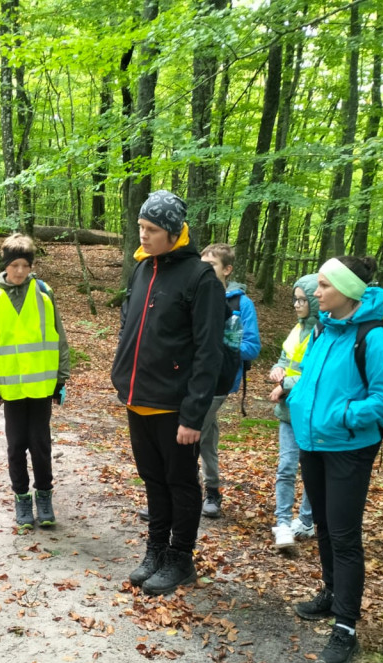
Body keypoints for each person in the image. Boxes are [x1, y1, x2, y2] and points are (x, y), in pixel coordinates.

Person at [286, 257, 383, 663]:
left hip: (348, 449)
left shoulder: (374, 338)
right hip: (314, 443)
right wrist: (295, 394)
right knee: (322, 526)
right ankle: (331, 594)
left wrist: (342, 415)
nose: (316, 293)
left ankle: (346, 627)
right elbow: (313, 380)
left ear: (348, 291)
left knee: (345, 535)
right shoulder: (323, 330)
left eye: (323, 286)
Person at [111, 190, 226, 596]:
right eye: (141, 227)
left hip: (175, 406)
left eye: (152, 229)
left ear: (174, 233)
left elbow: (210, 352)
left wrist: (193, 415)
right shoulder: (143, 270)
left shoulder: (200, 279)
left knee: (180, 482)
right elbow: (131, 326)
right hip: (137, 398)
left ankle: (180, 558)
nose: (142, 235)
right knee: (152, 479)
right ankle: (155, 550)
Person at [0, 234, 71, 531]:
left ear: (31, 266)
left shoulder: (43, 292)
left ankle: (44, 496)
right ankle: (21, 499)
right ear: (5, 266)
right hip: (12, 389)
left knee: (40, 444)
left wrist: (62, 377)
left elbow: (59, 335)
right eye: (14, 265)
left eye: (24, 265)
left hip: (42, 386)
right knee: (16, 445)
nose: (19, 271)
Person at [197, 243, 261, 519]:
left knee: (190, 434)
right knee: (206, 437)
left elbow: (252, 346)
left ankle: (177, 497)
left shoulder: (241, 304)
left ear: (227, 269)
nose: (205, 270)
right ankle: (212, 490)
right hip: (191, 380)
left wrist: (221, 347)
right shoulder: (196, 294)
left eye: (211, 265)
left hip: (219, 383)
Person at [267, 273, 319, 548]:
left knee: (310, 470)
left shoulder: (323, 333)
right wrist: (278, 370)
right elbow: (286, 359)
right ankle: (283, 522)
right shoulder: (297, 329)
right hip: (288, 412)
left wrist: (285, 385)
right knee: (286, 467)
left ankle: (307, 521)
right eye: (295, 299)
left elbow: (316, 376)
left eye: (302, 299)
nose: (297, 304)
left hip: (311, 413)